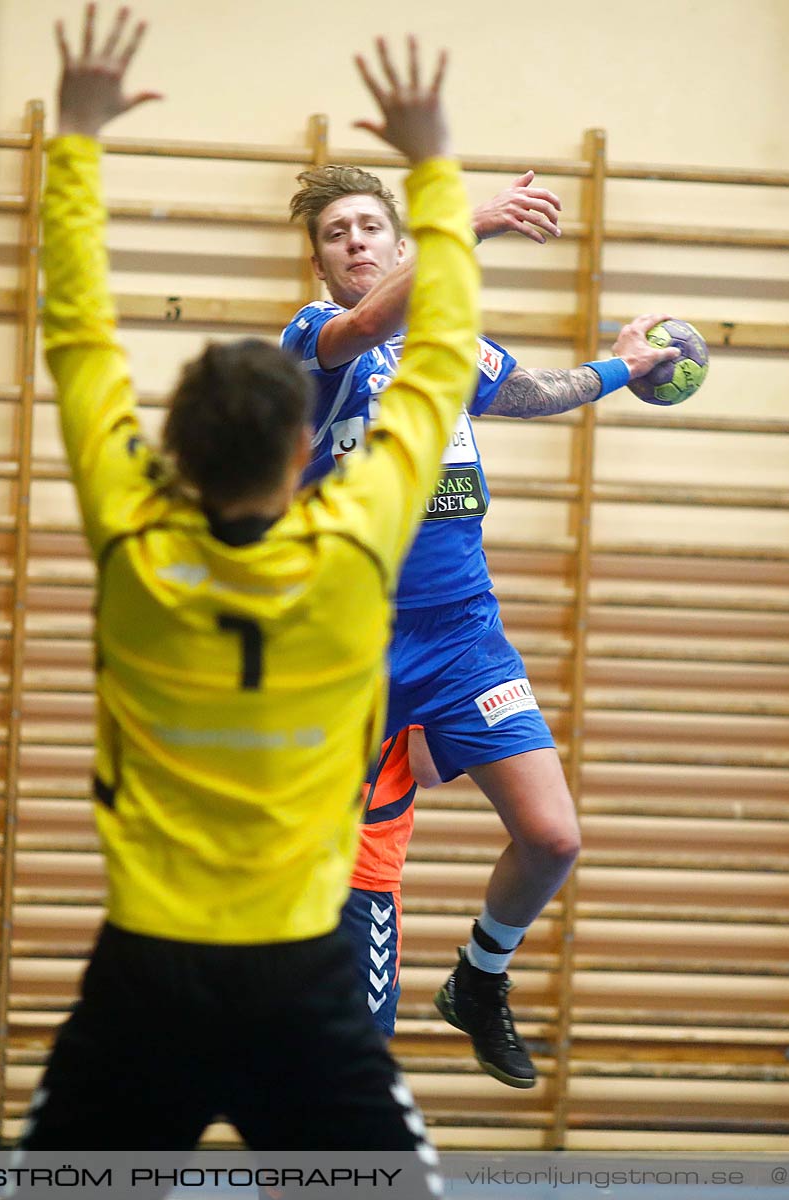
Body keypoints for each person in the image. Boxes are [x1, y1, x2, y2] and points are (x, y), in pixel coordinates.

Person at [22, 5, 476, 1168]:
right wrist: (436, 167)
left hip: (142, 984)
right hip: (303, 986)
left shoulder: (134, 546)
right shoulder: (354, 548)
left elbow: (75, 337)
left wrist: (74, 138)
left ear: (166, 450)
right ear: (299, 456)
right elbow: (438, 361)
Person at [284, 160, 680, 1085]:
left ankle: (479, 979)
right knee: (337, 883)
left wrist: (627, 364)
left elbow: (533, 391)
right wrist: (471, 225)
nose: (355, 243)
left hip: (463, 634)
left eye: (368, 228)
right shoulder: (316, 341)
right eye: (336, 234)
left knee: (552, 838)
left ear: (394, 240)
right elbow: (374, 320)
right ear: (320, 265)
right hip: (348, 644)